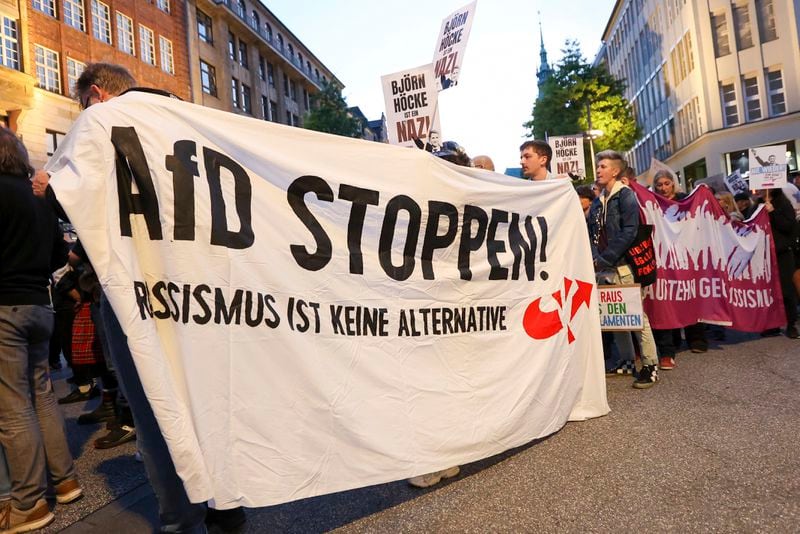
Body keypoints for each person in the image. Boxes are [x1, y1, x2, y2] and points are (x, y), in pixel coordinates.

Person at [33, 63, 246, 533]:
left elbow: (56, 197)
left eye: (83, 103)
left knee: (154, 410)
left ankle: (182, 521)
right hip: (203, 289)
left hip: (138, 291)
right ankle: (227, 505)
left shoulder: (101, 122)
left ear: (96, 94)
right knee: (209, 395)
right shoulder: (183, 118)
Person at [0, 127, 82, 533]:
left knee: (12, 407)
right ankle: (64, 479)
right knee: (43, 396)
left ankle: (29, 502)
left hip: (4, 307)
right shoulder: (36, 199)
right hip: (39, 304)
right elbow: (56, 255)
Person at [407, 140, 473, 489]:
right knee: (445, 382)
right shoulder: (472, 203)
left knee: (430, 384)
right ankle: (447, 456)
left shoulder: (425, 206)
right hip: (454, 307)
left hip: (435, 305)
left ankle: (434, 459)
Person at [587, 150, 658, 388]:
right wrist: (596, 257)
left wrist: (605, 258)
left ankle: (650, 365)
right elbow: (593, 234)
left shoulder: (625, 196)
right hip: (603, 268)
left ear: (615, 171)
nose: (598, 170)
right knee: (614, 315)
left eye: (603, 166)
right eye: (598, 166)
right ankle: (626, 361)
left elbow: (630, 231)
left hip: (623, 266)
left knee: (637, 316)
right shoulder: (598, 202)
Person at [650, 170, 708, 367]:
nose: (663, 188)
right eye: (660, 185)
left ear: (673, 185)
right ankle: (672, 338)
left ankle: (696, 338)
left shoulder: (685, 200)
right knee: (670, 297)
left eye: (667, 184)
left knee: (690, 295)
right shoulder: (653, 203)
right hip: (665, 255)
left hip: (685, 253)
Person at [757, 188, 799, 338]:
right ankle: (773, 324)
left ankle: (791, 324)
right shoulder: (758, 204)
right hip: (765, 253)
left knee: (786, 290)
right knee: (770, 291)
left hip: (782, 253)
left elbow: (788, 226)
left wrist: (773, 212)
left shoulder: (783, 204)